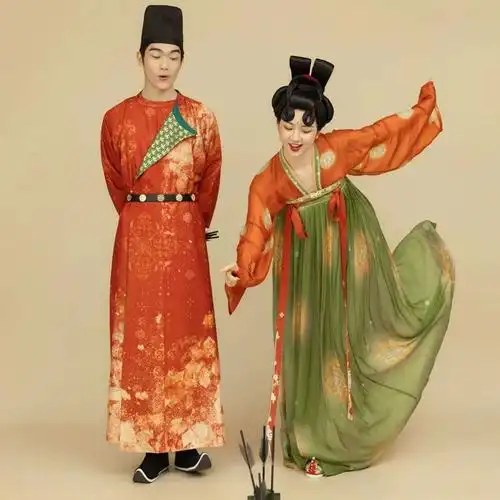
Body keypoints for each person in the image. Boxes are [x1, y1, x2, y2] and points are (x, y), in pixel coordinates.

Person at [222, 55, 454, 478]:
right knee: (308, 342)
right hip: (303, 264)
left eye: (306, 127)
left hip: (348, 247)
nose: (296, 136)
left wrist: (422, 113)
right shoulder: (268, 180)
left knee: (348, 335)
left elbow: (380, 136)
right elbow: (256, 229)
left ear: (319, 127)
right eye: (288, 125)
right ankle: (310, 440)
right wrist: (243, 269)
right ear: (277, 123)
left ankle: (346, 428)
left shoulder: (337, 150)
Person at [99, 5, 225, 484]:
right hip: (138, 235)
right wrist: (141, 217)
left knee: (188, 334)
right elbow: (117, 182)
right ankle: (152, 448)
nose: (164, 64)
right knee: (142, 336)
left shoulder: (200, 117)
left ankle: (187, 443)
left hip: (186, 233)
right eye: (155, 54)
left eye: (173, 55)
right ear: (140, 57)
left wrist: (190, 222)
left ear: (182, 59)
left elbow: (210, 177)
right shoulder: (117, 119)